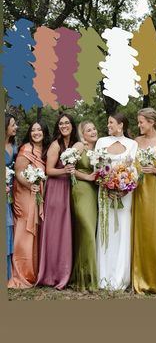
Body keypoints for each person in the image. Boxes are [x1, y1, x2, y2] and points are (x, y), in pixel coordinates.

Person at [95, 113, 138, 290]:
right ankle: (103, 275)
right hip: (105, 192)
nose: (108, 125)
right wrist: (107, 184)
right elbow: (96, 166)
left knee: (122, 228)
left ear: (120, 125)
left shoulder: (132, 144)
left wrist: (123, 188)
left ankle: (120, 276)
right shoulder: (101, 142)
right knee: (105, 228)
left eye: (111, 122)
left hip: (125, 194)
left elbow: (134, 169)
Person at [132, 107, 156, 295]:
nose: (138, 125)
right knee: (139, 231)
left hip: (155, 192)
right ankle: (138, 276)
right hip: (137, 192)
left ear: (152, 122)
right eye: (138, 122)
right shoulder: (136, 142)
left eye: (141, 122)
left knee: (154, 230)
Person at [36, 113, 78, 290]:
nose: (64, 126)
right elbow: (49, 170)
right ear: (58, 127)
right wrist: (66, 171)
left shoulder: (75, 143)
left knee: (66, 231)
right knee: (55, 231)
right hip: (56, 190)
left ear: (72, 125)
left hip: (69, 189)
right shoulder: (55, 145)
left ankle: (65, 271)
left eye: (67, 123)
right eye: (61, 123)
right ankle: (51, 273)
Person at [8, 120, 50, 288]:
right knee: (25, 231)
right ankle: (21, 272)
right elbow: (19, 173)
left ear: (44, 132)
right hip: (25, 195)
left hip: (37, 195)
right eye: (33, 130)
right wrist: (30, 185)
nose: (36, 133)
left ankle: (34, 271)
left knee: (35, 232)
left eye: (39, 129)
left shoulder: (44, 150)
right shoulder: (26, 149)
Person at [69, 121, 98, 292]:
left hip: (95, 192)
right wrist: (87, 177)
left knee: (90, 233)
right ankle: (86, 278)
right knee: (86, 230)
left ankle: (84, 277)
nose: (93, 131)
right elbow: (70, 168)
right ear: (83, 133)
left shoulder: (99, 148)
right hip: (81, 190)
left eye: (94, 128)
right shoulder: (80, 146)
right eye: (89, 130)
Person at [5, 113, 18, 280]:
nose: (16, 127)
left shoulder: (15, 146)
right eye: (13, 124)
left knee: (9, 225)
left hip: (10, 190)